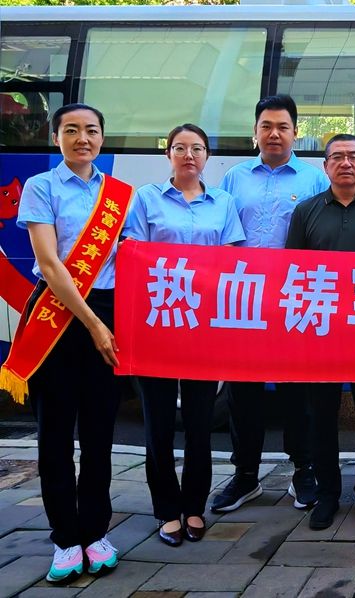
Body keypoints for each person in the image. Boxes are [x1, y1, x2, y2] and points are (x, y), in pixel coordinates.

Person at [4, 104, 127, 583]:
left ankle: (95, 532)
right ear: (56, 136)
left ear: (102, 138)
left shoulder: (119, 195)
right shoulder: (42, 187)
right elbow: (51, 265)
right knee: (54, 435)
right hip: (58, 315)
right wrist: (94, 324)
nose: (82, 138)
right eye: (71, 130)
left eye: (91, 130)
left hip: (109, 311)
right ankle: (65, 539)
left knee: (99, 434)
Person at [123, 124, 245, 546]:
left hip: (203, 328)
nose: (188, 155)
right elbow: (134, 254)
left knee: (198, 424)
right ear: (168, 154)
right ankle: (165, 510)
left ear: (207, 156)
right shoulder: (147, 199)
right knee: (158, 424)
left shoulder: (223, 202)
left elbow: (231, 256)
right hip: (157, 324)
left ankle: (193, 507)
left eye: (197, 148)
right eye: (180, 147)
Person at [212, 95, 330, 514]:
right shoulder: (234, 178)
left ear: (296, 133)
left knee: (298, 392)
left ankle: (303, 471)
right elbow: (221, 235)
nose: (274, 133)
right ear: (255, 132)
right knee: (243, 392)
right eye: (267, 126)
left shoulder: (314, 179)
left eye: (282, 127)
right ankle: (246, 475)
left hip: (294, 299)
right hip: (244, 300)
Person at [284, 134, 355, 530]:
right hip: (320, 329)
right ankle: (327, 493)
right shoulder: (306, 211)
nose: (346, 163)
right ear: (325, 166)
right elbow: (292, 272)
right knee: (322, 416)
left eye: (354, 156)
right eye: (337, 157)